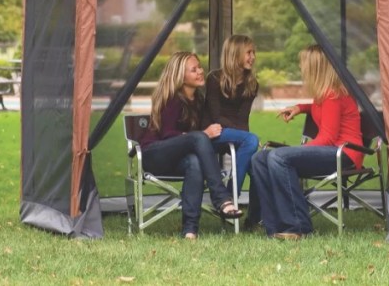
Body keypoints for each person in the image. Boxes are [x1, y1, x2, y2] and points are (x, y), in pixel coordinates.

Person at [248, 44, 364, 239]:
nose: (301, 68)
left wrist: (291, 151)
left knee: (278, 157)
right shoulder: (324, 96)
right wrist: (300, 107)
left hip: (344, 154)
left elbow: (327, 139)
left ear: (314, 68)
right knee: (259, 158)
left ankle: (298, 226)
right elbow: (321, 109)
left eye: (303, 64)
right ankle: (274, 226)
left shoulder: (332, 95)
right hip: (333, 151)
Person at [138, 51, 243, 238]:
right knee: (199, 138)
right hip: (153, 154)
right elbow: (168, 134)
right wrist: (202, 135)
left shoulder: (198, 100)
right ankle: (221, 199)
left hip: (176, 160)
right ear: (180, 75)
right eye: (193, 70)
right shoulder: (172, 98)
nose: (200, 72)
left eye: (199, 67)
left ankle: (190, 230)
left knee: (194, 162)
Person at [205, 35, 261, 195]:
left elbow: (243, 118)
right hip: (212, 133)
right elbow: (216, 116)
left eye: (254, 53)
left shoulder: (252, 83)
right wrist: (246, 137)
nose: (253, 57)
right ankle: (229, 197)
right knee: (251, 140)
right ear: (235, 54)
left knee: (258, 165)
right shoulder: (214, 78)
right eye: (248, 53)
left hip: (234, 133)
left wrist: (244, 138)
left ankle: (255, 217)